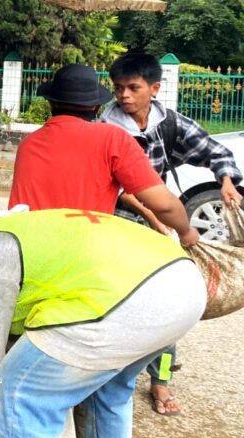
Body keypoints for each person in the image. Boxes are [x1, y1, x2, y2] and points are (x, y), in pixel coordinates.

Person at [0, 209, 206, 438]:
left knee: (20, 395)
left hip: (125, 299)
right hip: (183, 283)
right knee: (110, 394)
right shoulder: (8, 230)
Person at [101, 52, 243, 416]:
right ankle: (107, 373)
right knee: (116, 300)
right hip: (117, 223)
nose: (125, 96)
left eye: (133, 88)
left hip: (159, 222)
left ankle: (161, 379)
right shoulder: (106, 127)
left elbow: (214, 150)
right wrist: (160, 219)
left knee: (169, 302)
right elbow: (116, 188)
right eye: (119, 88)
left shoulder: (169, 124)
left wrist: (226, 180)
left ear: (154, 89)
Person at [9, 63, 201, 247]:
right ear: (97, 107)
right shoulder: (112, 139)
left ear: (51, 102)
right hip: (83, 256)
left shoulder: (28, 144)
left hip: (26, 252)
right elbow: (164, 205)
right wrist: (185, 232)